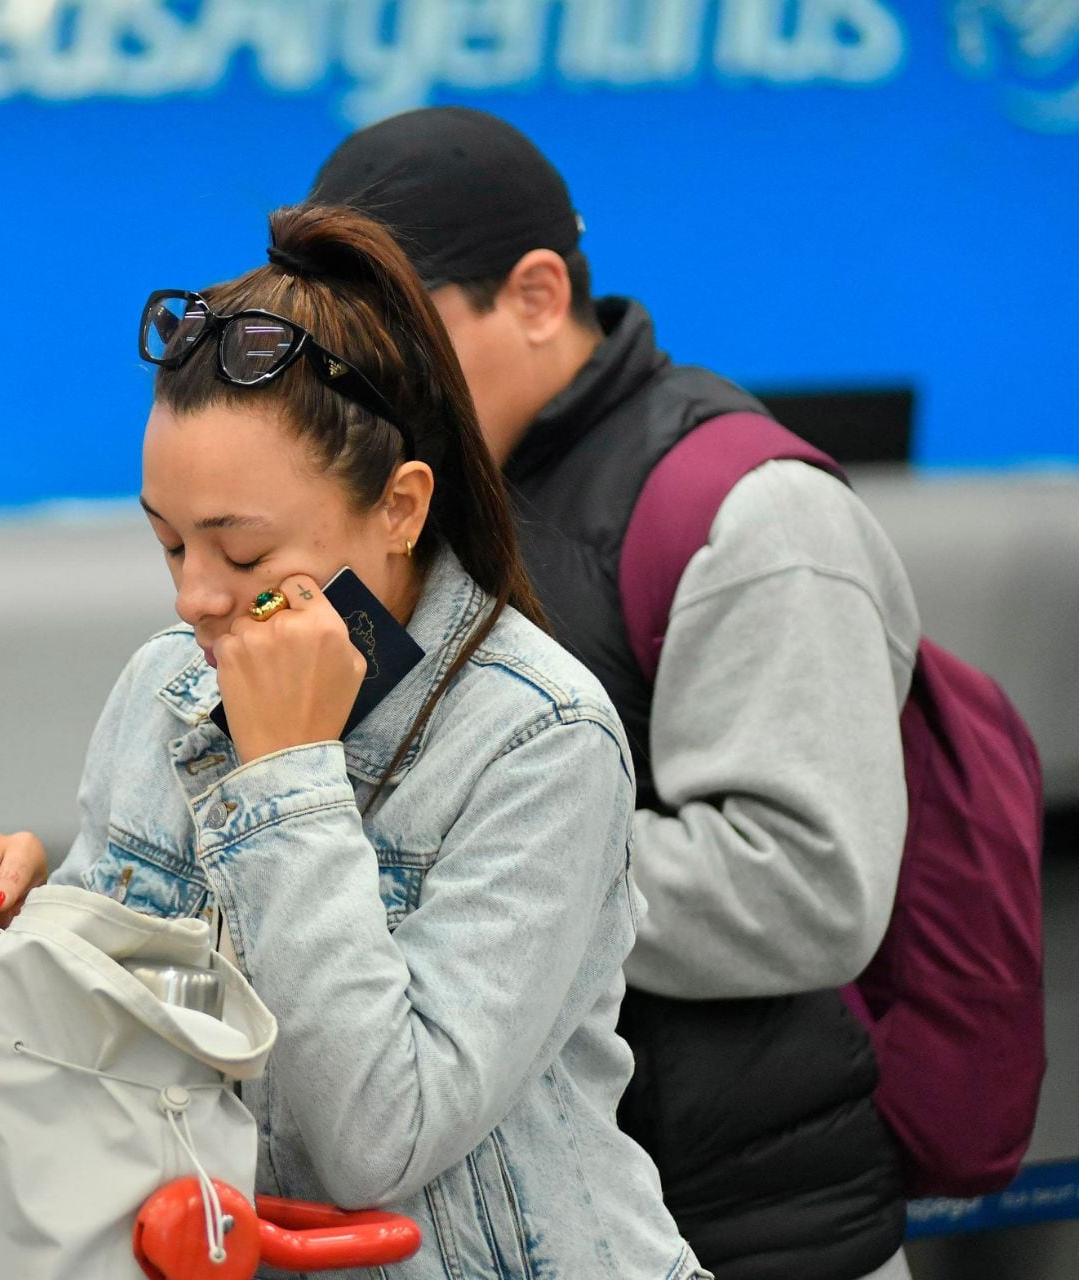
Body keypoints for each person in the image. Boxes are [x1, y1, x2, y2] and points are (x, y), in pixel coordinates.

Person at [0, 203, 708, 1279]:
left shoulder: (538, 734)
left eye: (243, 550)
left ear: (404, 506)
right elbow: (114, 1079)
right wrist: (15, 930)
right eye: (169, 540)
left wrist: (287, 776)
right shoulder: (166, 686)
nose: (195, 598)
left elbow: (374, 1142)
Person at [309, 107, 920, 1280]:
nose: (368, 384)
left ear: (537, 296)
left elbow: (814, 886)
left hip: (749, 1229)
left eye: (400, 340)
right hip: (520, 1218)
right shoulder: (415, 501)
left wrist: (478, 868)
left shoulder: (754, 516)